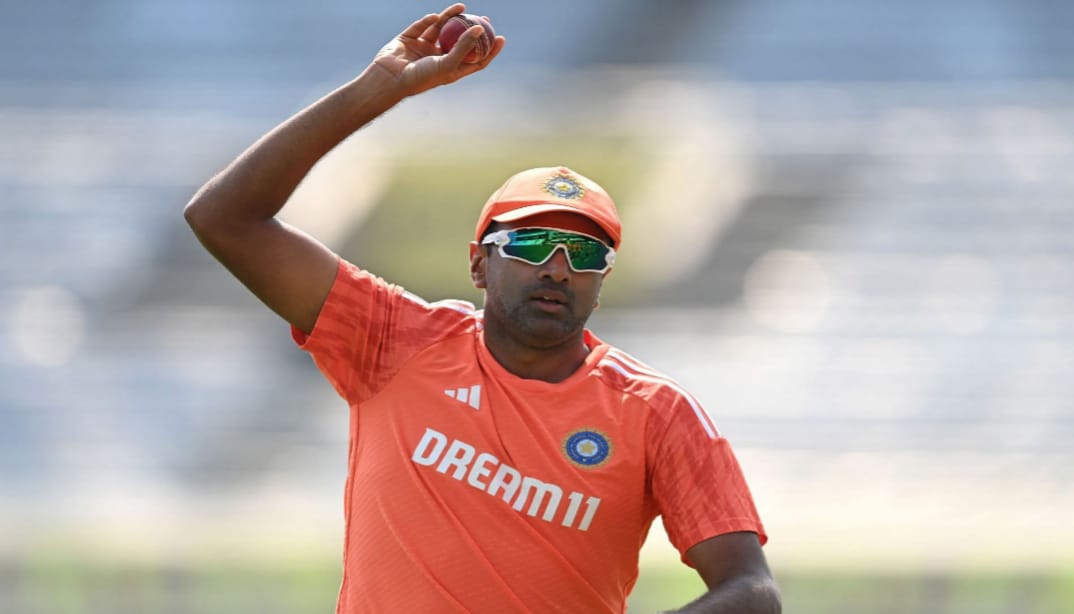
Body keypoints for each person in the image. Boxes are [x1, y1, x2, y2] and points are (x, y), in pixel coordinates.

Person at [184, 4, 780, 613]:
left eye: (582, 252)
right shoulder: (393, 338)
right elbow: (223, 218)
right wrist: (377, 90)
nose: (556, 267)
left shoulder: (656, 413)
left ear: (602, 278)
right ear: (478, 264)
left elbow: (752, 592)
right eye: (527, 244)